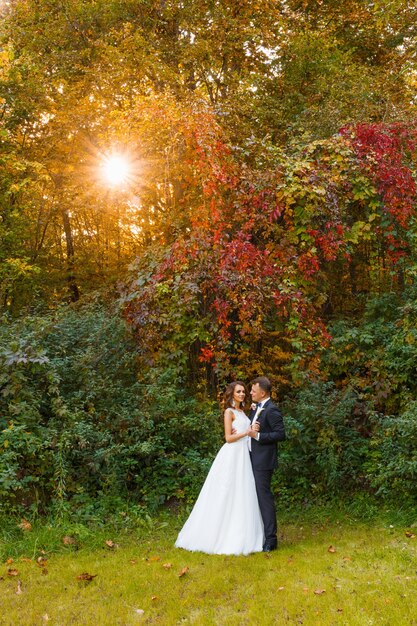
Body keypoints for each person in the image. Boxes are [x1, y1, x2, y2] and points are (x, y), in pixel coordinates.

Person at [175, 381, 264, 555]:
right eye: (238, 392)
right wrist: (247, 432)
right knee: (226, 491)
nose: (242, 394)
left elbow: (247, 426)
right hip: (232, 455)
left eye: (243, 392)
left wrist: (252, 423)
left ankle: (243, 532)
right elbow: (228, 438)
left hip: (243, 456)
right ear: (231, 394)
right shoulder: (228, 412)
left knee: (243, 491)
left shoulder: (242, 412)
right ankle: (216, 534)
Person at [247, 376, 286, 552]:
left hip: (263, 461)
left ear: (262, 393)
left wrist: (260, 437)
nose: (250, 393)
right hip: (250, 458)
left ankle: (271, 539)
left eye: (253, 391)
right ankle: (257, 534)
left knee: (264, 498)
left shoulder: (272, 410)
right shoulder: (257, 407)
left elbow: (280, 434)